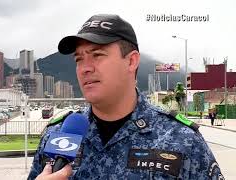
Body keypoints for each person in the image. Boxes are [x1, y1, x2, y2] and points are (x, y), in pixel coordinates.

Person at [28, 14, 224, 180]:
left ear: (131, 61)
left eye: (97, 55)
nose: (84, 68)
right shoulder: (58, 135)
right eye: (79, 59)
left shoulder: (182, 140)